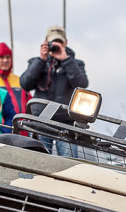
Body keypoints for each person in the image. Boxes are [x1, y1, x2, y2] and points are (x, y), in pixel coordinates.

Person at [19, 25, 89, 157]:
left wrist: (66, 60)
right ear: (45, 42)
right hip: (40, 122)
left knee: (69, 164)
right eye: (53, 42)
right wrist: (41, 60)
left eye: (60, 42)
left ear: (65, 43)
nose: (56, 45)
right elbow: (25, 84)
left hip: (67, 124)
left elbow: (81, 85)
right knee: (38, 161)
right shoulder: (36, 62)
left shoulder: (76, 64)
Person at [0, 42, 27, 117]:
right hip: (0, 126)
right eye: (1, 57)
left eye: (8, 57)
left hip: (20, 125)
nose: (5, 60)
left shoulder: (19, 80)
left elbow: (29, 102)